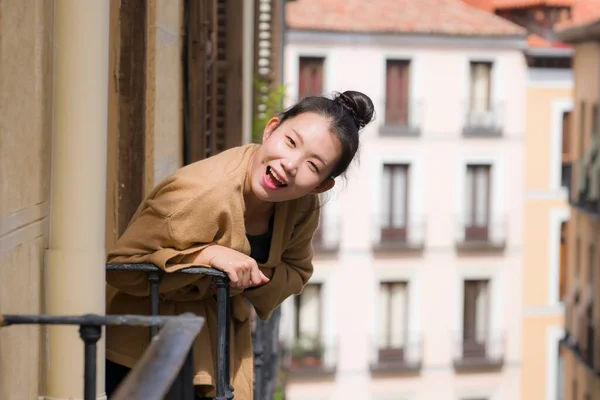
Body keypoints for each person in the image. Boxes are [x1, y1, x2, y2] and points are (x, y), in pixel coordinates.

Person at [104, 90, 375, 399]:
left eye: (313, 165)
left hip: (217, 350)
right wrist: (208, 257)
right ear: (271, 128)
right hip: (149, 357)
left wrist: (245, 276)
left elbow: (297, 271)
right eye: (291, 142)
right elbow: (122, 267)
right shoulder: (200, 194)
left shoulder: (302, 205)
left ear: (320, 185)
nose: (290, 164)